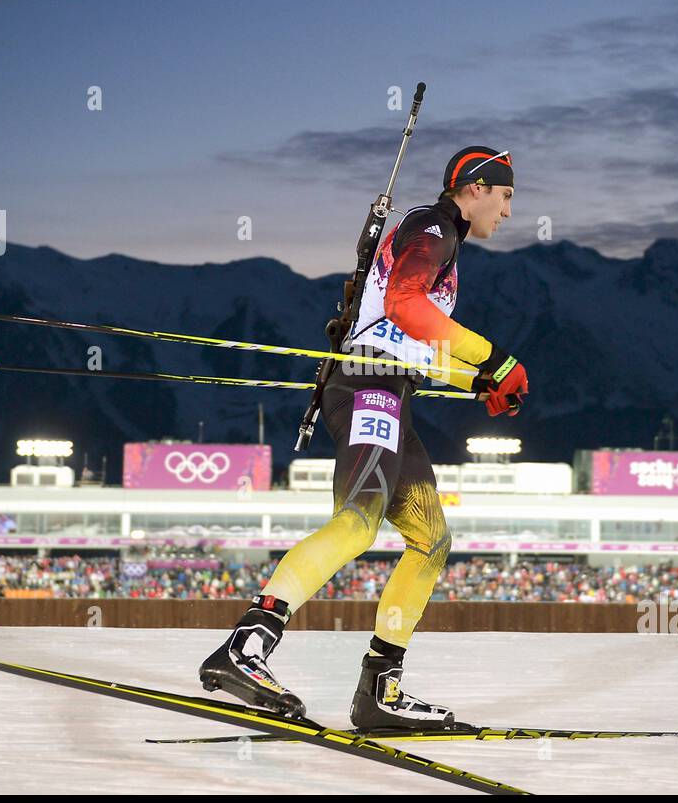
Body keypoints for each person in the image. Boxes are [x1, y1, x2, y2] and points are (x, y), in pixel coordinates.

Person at [199, 146, 528, 727]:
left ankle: (380, 690)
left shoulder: (440, 236)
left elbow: (410, 338)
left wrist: (477, 379)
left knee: (431, 538)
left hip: (389, 387)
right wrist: (493, 358)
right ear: (476, 188)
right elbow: (404, 307)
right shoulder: (432, 225)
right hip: (369, 387)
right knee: (357, 522)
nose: (507, 212)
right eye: (505, 197)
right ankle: (244, 649)